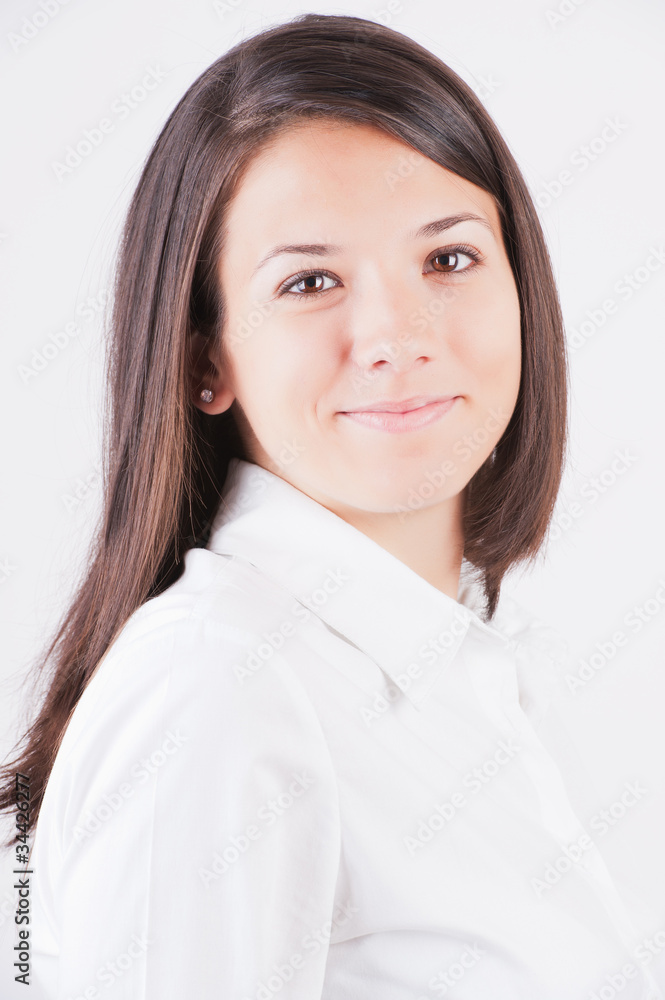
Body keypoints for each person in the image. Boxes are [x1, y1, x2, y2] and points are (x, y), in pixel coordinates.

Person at [0, 12, 661, 999]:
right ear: (203, 359)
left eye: (447, 259)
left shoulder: (472, 669)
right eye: (310, 281)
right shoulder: (217, 688)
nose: (396, 334)